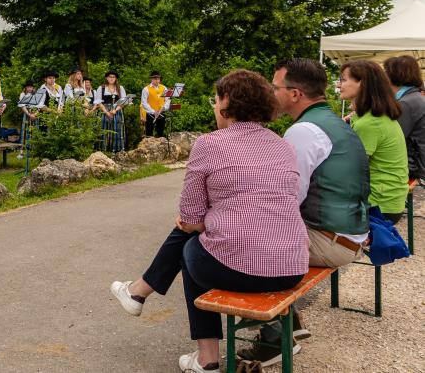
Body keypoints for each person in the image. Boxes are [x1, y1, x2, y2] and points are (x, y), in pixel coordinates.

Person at [110, 69, 308, 373]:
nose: (214, 106)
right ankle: (138, 292)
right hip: (291, 268)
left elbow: (190, 216)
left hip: (244, 269)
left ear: (227, 102)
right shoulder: (283, 146)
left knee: (193, 250)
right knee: (199, 242)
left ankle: (206, 357)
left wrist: (201, 224)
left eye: (215, 100)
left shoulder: (209, 144)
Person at [238, 58, 371, 365]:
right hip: (351, 233)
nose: (271, 93)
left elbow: (285, 201)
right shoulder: (334, 121)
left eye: (275, 87)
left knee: (235, 245)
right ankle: (291, 324)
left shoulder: (303, 132)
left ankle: (274, 339)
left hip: (331, 241)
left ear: (295, 94)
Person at [340, 60, 408, 222]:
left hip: (379, 205)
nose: (339, 85)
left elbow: (351, 169)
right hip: (390, 199)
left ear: (362, 84)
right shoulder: (375, 116)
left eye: (343, 79)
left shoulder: (369, 123)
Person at [385, 55, 425, 180]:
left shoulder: (406, 103)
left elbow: (393, 138)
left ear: (395, 74)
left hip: (409, 167)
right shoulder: (413, 97)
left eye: (385, 72)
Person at [94, 70, 128, 152]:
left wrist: (115, 110)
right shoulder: (101, 88)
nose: (112, 78)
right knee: (103, 128)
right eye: (110, 77)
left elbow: (123, 102)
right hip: (104, 111)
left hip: (117, 111)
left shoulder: (120, 88)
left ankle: (117, 150)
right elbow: (98, 102)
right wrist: (106, 112)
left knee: (117, 129)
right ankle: (103, 150)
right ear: (107, 78)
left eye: (113, 77)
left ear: (116, 78)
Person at [141, 71, 171, 138]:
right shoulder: (146, 89)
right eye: (155, 79)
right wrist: (153, 111)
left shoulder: (164, 88)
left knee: (160, 133)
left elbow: (167, 100)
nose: (157, 80)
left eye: (158, 79)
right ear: (151, 79)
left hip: (161, 112)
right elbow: (144, 103)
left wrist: (164, 107)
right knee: (149, 133)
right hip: (150, 114)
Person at [18, 81, 42, 159]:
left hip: (35, 113)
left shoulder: (36, 95)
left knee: (35, 131)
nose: (29, 88)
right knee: (24, 131)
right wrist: (29, 114)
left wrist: (35, 114)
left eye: (31, 87)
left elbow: (39, 105)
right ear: (25, 87)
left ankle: (33, 151)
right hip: (27, 113)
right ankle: (21, 151)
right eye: (28, 87)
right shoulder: (23, 94)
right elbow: (22, 106)